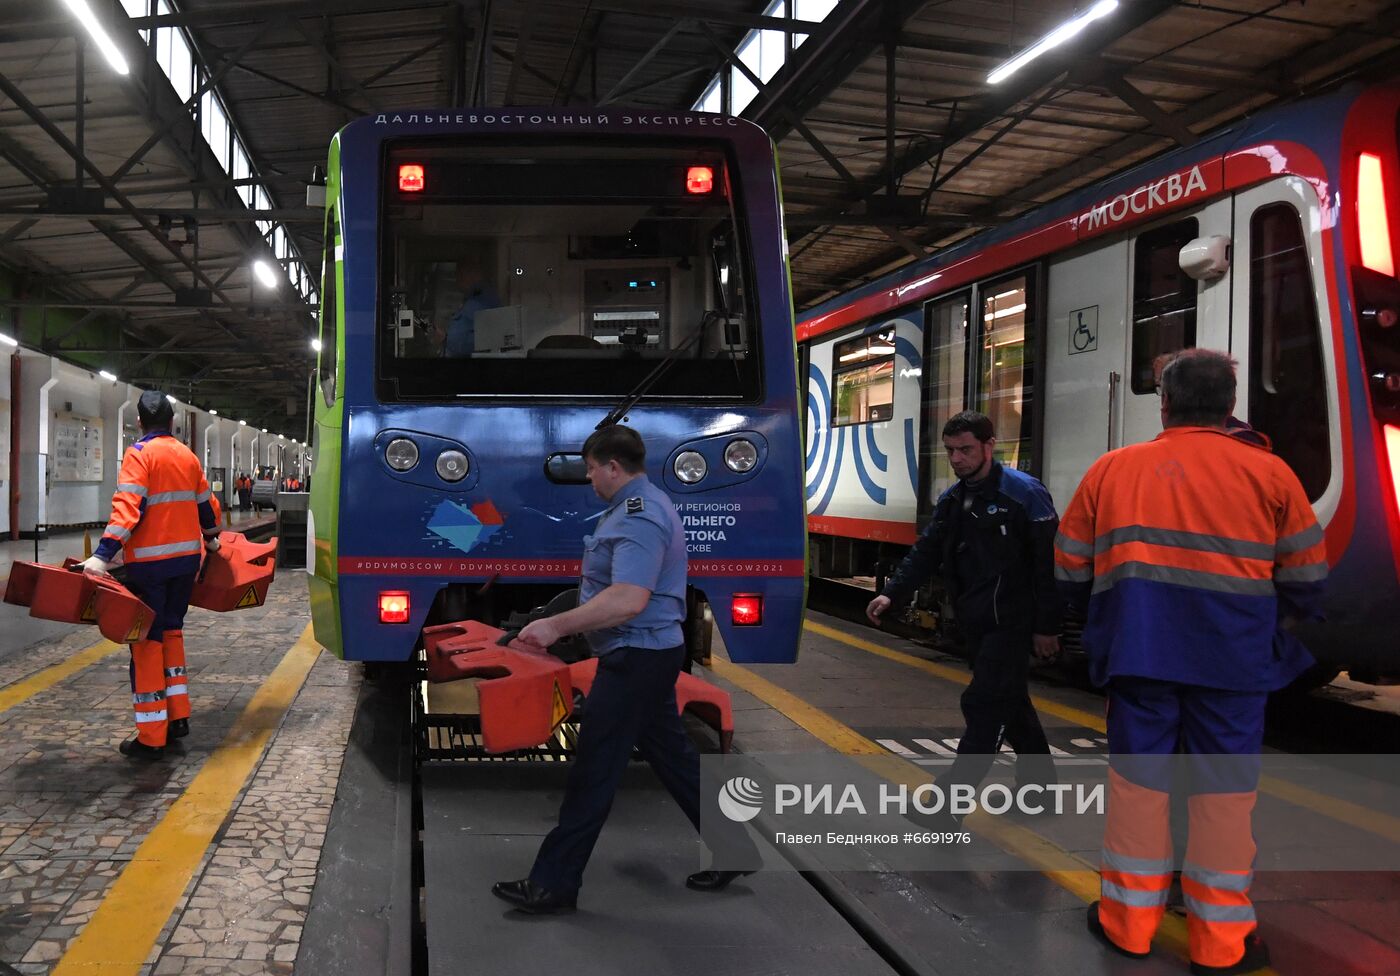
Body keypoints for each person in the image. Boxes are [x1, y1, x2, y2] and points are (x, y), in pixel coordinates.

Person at [1054, 349, 1328, 975]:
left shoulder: (1112, 470)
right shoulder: (1272, 474)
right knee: (1224, 799)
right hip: (1233, 667)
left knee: (1138, 792)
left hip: (1139, 658)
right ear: (1231, 406)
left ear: (1166, 403)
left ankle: (1127, 926)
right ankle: (1220, 943)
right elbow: (1310, 580)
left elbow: (1068, 567)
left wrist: (1109, 612)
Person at [492, 425, 754, 914]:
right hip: (646, 654)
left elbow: (628, 599)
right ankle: (735, 846)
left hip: (636, 656)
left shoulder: (639, 516)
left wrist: (555, 627)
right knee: (674, 757)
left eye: (592, 469)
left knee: (595, 769)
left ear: (613, 466)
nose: (590, 479)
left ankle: (553, 883)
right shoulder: (635, 507)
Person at [867, 410, 1062, 809]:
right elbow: (927, 550)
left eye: (966, 450)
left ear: (990, 446)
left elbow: (1049, 567)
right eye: (951, 451)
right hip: (978, 620)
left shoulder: (1024, 494)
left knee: (984, 704)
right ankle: (1041, 791)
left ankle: (948, 805)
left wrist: (1047, 627)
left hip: (1013, 621)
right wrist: (893, 593)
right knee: (1012, 702)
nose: (957, 459)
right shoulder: (954, 498)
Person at [81, 390, 222, 760]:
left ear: (139, 422)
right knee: (172, 631)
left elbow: (128, 509)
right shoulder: (187, 455)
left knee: (145, 642)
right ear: (173, 421)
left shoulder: (139, 455)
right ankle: (178, 718)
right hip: (186, 563)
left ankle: (152, 736)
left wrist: (101, 556)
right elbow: (207, 506)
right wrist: (212, 540)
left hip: (150, 568)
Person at [440, 259, 500, 358]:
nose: (457, 280)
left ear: (472, 274)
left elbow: (488, 339)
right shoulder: (471, 299)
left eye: (460, 275)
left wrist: (446, 340)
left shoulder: (484, 300)